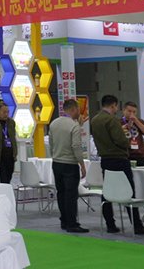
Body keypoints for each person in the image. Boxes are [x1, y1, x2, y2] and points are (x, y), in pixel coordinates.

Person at [91, 94, 144, 235]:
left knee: (107, 192)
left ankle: (110, 224)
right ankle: (137, 225)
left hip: (105, 159)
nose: (116, 110)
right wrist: (126, 138)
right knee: (129, 191)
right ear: (113, 105)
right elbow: (122, 141)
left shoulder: (95, 120)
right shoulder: (112, 121)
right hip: (119, 159)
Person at [49, 99, 88, 233]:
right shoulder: (74, 126)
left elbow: (51, 143)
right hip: (70, 164)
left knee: (61, 193)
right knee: (71, 195)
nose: (79, 112)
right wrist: (82, 164)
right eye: (78, 109)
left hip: (56, 163)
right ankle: (72, 223)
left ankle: (64, 221)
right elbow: (76, 146)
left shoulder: (54, 123)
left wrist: (55, 156)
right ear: (73, 109)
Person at [122, 101, 144, 167]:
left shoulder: (140, 121)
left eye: (134, 112)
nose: (132, 114)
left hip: (140, 155)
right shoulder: (119, 122)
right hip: (126, 155)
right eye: (129, 111)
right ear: (124, 110)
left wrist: (136, 121)